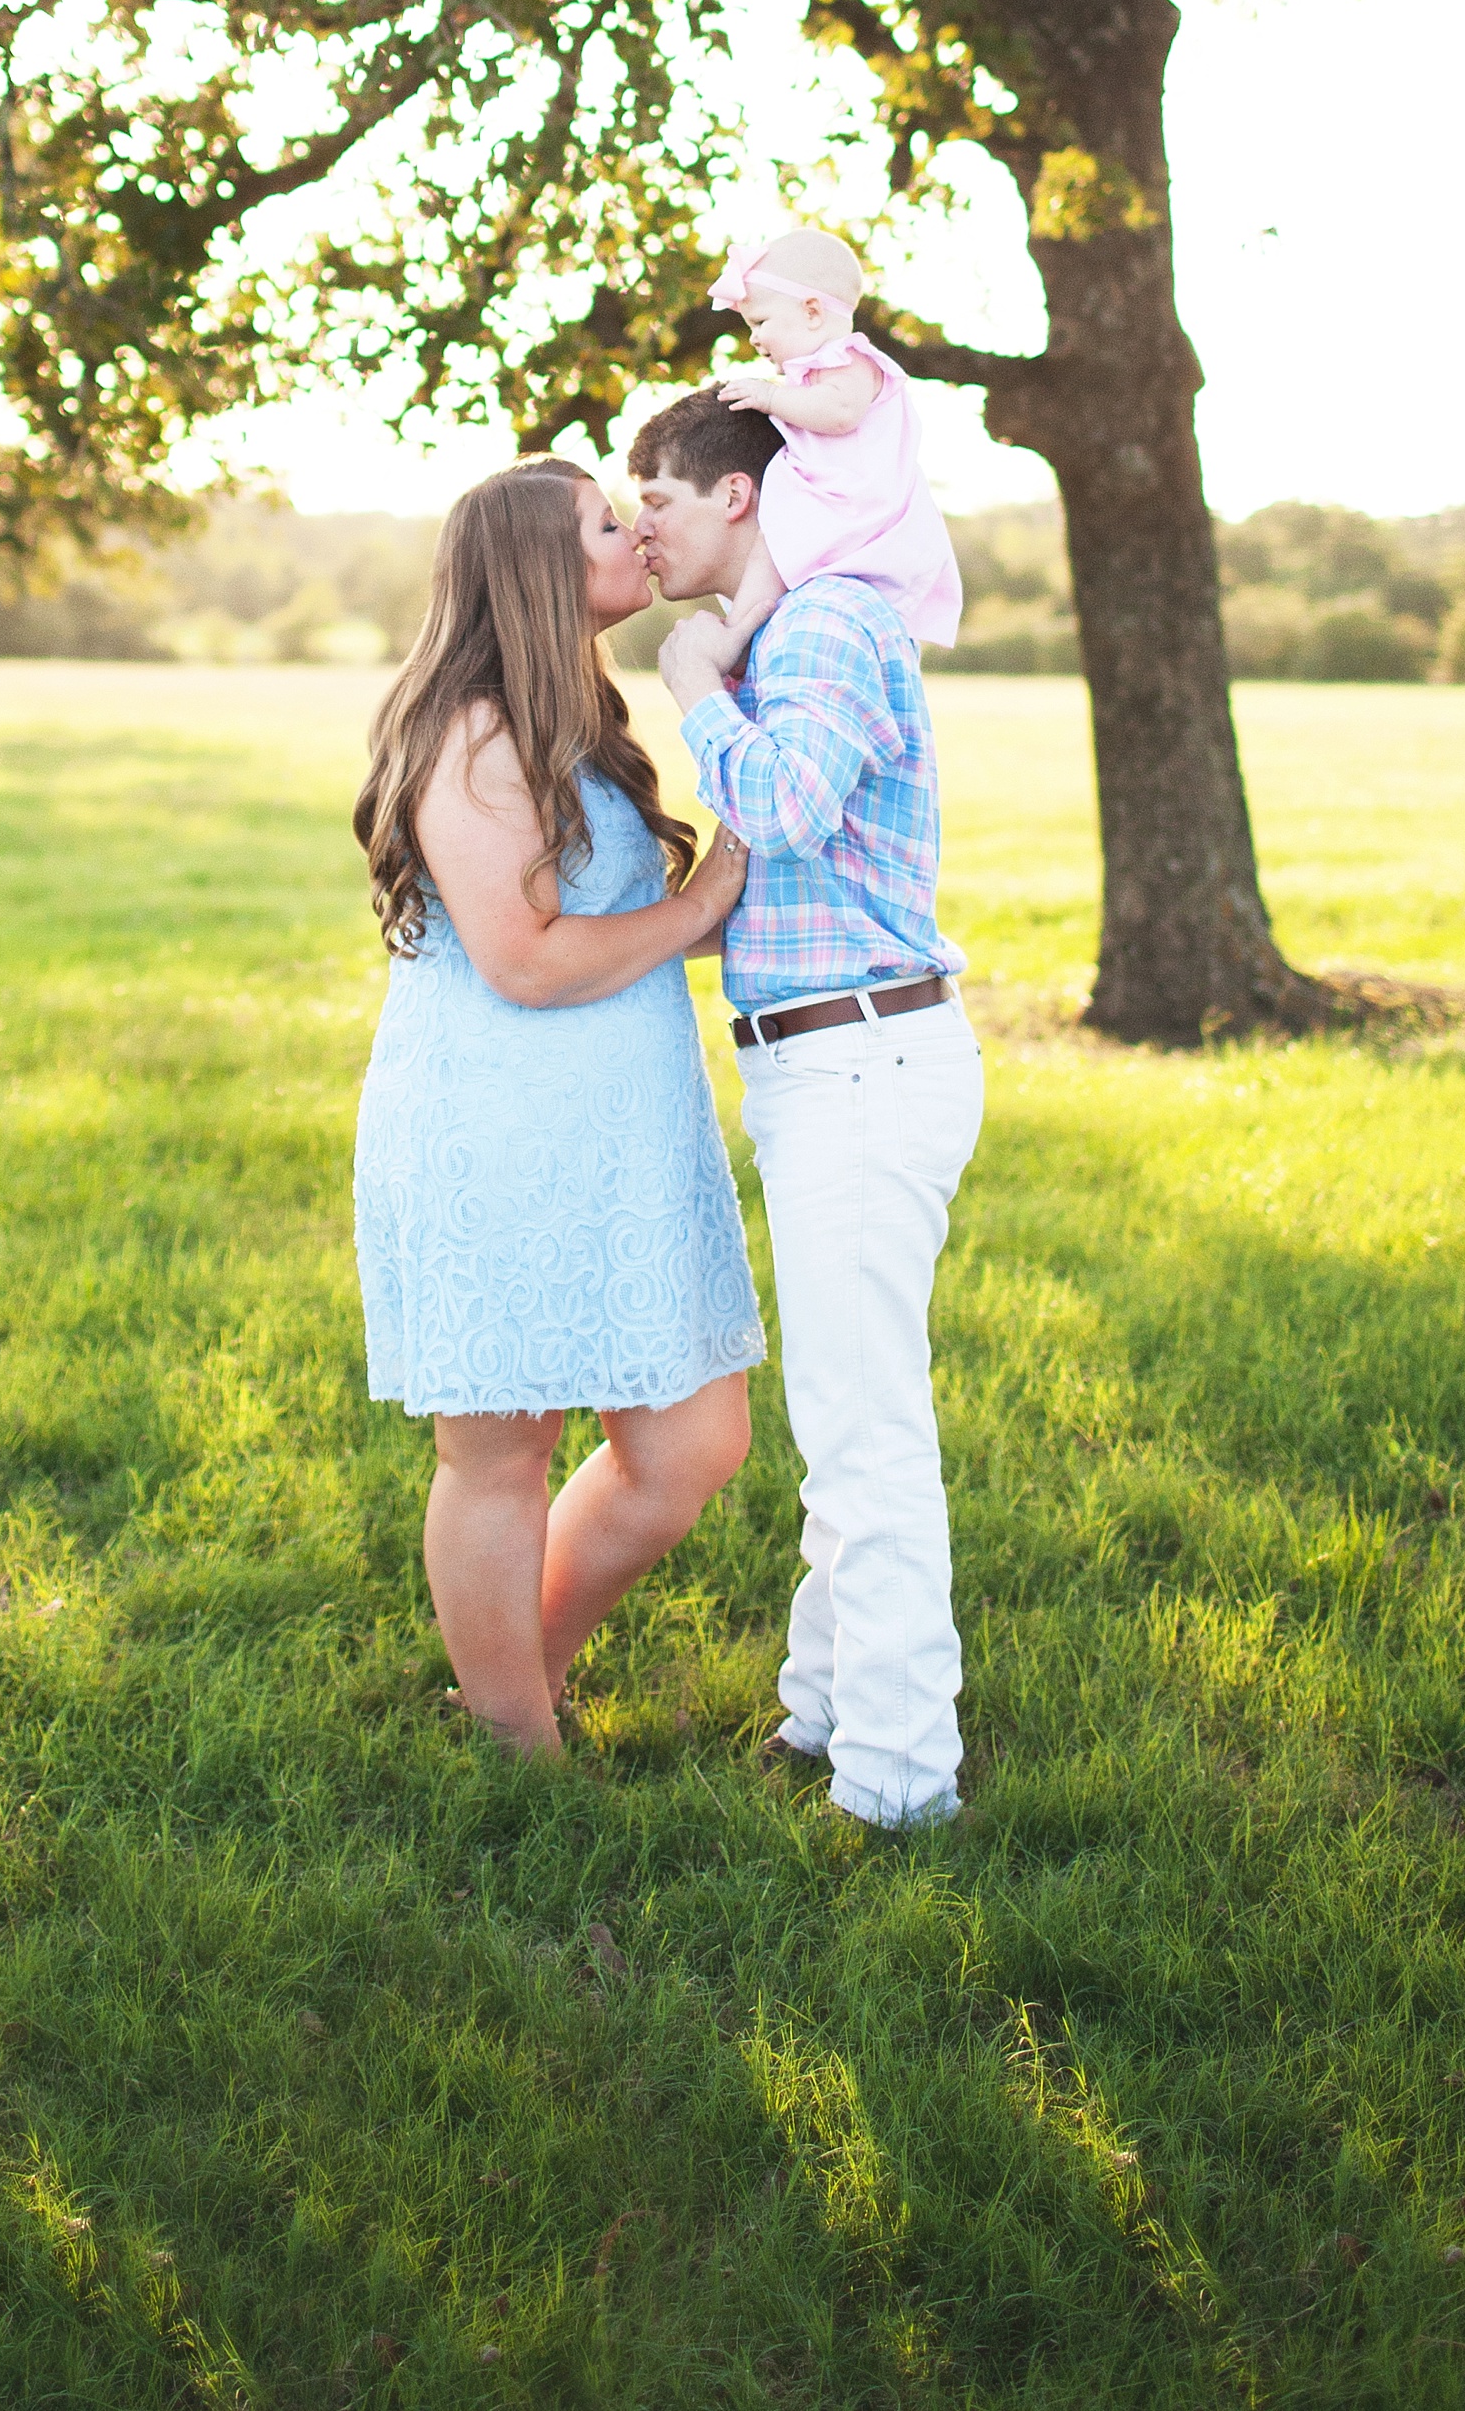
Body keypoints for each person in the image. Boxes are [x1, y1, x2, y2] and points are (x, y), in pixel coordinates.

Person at [350, 457, 764, 1758]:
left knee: (690, 1445)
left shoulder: (575, 714)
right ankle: (517, 1745)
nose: (638, 530)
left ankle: (511, 1681)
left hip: (622, 1129)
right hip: (498, 1129)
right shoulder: (472, 728)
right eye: (606, 520)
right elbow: (525, 960)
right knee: (501, 1443)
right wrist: (700, 904)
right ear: (537, 565)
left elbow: (611, 927)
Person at [631, 389, 983, 1831]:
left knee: (865, 1435)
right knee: (842, 1415)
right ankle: (821, 1713)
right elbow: (772, 878)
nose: (638, 522)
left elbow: (778, 806)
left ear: (735, 494)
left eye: (652, 492)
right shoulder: (786, 634)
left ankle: (897, 1790)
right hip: (819, 1059)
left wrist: (694, 688)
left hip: (860, 1065)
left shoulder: (825, 621)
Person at [698, 225, 964, 674]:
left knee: (774, 546)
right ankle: (744, 634)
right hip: (837, 501)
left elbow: (839, 412)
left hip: (860, 507)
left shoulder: (850, 360)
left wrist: (770, 397)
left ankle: (738, 636)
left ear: (813, 312)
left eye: (760, 323)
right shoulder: (812, 373)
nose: (754, 340)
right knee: (771, 547)